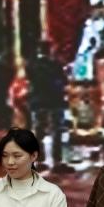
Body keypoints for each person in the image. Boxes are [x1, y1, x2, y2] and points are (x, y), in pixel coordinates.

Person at [27, 41, 68, 170]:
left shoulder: (32, 65)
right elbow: (63, 81)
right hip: (54, 101)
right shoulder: (55, 65)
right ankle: (57, 161)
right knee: (56, 131)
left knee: (38, 131)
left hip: (38, 101)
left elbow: (30, 81)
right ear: (50, 50)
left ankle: (39, 161)